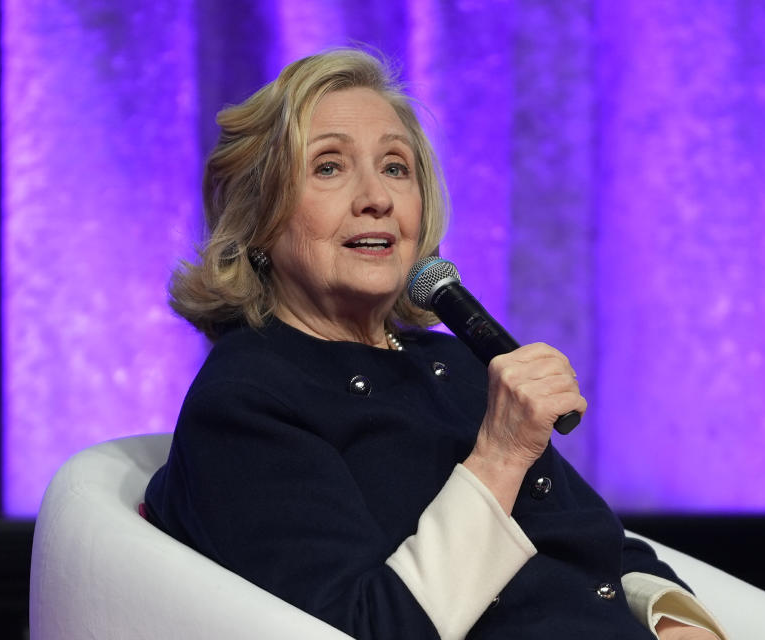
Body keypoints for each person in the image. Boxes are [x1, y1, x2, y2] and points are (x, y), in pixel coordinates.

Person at [145, 48, 726, 640]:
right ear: (258, 219)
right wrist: (499, 455)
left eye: (396, 168)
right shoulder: (246, 400)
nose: (377, 197)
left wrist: (675, 620)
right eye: (329, 166)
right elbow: (367, 626)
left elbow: (596, 544)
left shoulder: (454, 361)